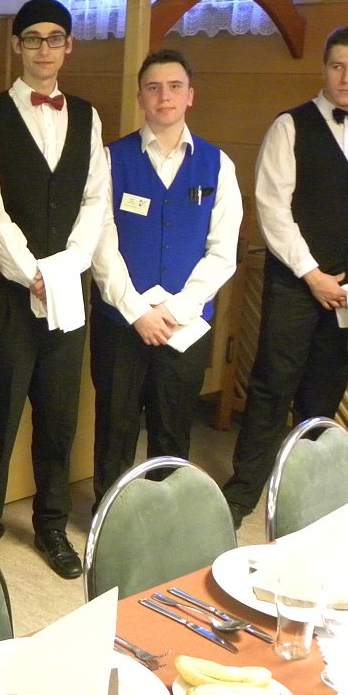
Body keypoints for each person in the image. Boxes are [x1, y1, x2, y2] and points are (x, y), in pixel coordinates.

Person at [222, 24, 348, 528]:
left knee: (325, 392)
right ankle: (242, 492)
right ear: (324, 69)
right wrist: (311, 274)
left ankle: (303, 493)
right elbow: (272, 208)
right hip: (295, 283)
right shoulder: (290, 126)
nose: (347, 77)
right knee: (271, 385)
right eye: (337, 66)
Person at [0, 0, 108, 578]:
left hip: (68, 288)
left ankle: (52, 525)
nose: (44, 48)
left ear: (69, 46)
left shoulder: (90, 116)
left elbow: (95, 201)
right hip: (10, 292)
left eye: (54, 38)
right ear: (16, 46)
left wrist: (66, 269)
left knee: (59, 416)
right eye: (33, 38)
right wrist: (32, 272)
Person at [89, 49, 242, 506]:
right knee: (114, 426)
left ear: (190, 95)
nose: (164, 97)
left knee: (173, 429)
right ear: (140, 97)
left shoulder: (218, 164)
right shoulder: (111, 159)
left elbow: (223, 252)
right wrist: (138, 311)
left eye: (175, 87)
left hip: (184, 325)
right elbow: (101, 244)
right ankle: (109, 519)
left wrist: (173, 310)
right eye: (153, 88)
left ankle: (165, 518)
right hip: (121, 322)